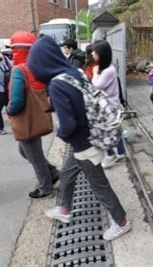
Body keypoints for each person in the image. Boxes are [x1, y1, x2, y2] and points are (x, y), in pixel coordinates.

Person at [27, 35, 131, 241]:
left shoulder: (57, 84)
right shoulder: (73, 72)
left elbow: (68, 125)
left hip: (84, 144)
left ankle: (122, 222)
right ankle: (64, 209)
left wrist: (60, 133)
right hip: (89, 137)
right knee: (66, 174)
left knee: (99, 186)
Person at [7, 31, 60, 199]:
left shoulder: (18, 70)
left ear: (16, 50)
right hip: (37, 117)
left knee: (34, 157)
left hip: (25, 120)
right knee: (25, 151)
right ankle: (52, 172)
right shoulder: (37, 68)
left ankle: (46, 189)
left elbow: (16, 102)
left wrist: (9, 110)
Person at [91, 40, 125, 169]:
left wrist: (94, 73)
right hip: (109, 105)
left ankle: (111, 155)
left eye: (95, 51)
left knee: (105, 131)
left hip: (109, 106)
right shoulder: (105, 68)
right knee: (114, 130)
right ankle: (120, 153)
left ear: (102, 54)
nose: (93, 53)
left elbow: (96, 86)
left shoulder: (108, 70)